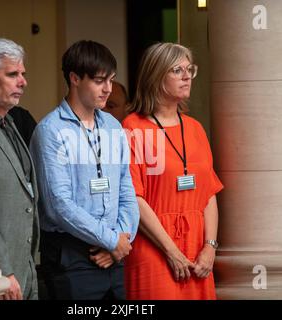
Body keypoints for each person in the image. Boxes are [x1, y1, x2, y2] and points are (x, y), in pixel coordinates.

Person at [30, 40, 139, 300]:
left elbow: (126, 187)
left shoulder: (112, 125)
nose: (108, 90)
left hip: (115, 255)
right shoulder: (51, 131)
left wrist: (121, 240)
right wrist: (112, 242)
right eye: (100, 81)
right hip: (72, 257)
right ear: (75, 78)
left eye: (111, 80)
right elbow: (59, 205)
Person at [122, 42, 223, 300]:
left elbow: (208, 194)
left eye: (190, 69)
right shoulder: (133, 127)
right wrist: (170, 250)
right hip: (154, 248)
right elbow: (135, 197)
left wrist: (210, 247)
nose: (187, 76)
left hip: (198, 247)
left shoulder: (195, 128)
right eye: (177, 70)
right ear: (155, 76)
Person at [0, 36, 40, 300]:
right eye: (12, 74)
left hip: (26, 270)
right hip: (1, 275)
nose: (23, 81)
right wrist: (4, 270)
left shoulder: (11, 121)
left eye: (23, 73)